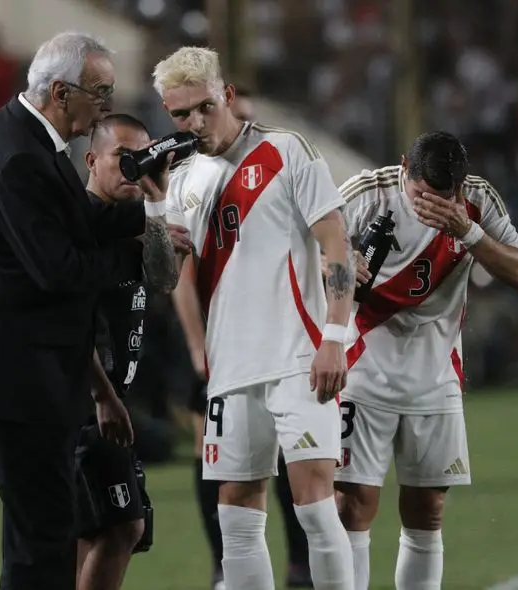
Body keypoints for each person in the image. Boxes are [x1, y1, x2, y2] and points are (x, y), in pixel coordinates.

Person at [0, 32, 181, 590]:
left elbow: (78, 226)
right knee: (42, 543)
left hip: (27, 371)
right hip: (16, 374)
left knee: (45, 535)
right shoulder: (19, 157)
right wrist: (129, 253)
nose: (104, 105)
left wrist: (146, 218)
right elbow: (59, 271)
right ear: (59, 91)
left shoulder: (23, 138)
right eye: (99, 93)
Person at [155, 46, 357, 590]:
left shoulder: (286, 150)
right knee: (237, 513)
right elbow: (169, 278)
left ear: (226, 95)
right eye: (180, 115)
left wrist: (335, 335)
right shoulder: (181, 182)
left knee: (314, 505)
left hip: (299, 358)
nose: (194, 123)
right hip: (231, 368)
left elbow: (334, 240)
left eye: (203, 107)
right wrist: (152, 210)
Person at [333, 131, 518, 590]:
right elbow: (306, 243)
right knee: (351, 503)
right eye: (423, 195)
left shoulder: (478, 200)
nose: (433, 207)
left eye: (446, 197)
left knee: (428, 510)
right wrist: (340, 258)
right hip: (364, 363)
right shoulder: (368, 192)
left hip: (436, 370)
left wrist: (467, 230)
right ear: (405, 169)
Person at [173, 85, 312, 590]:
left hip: (279, 348)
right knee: (215, 464)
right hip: (220, 350)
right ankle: (222, 566)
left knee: (290, 462)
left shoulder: (281, 168)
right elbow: (183, 279)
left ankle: (300, 564)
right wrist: (196, 347)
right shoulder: (195, 182)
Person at [74, 113, 193, 590]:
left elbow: (164, 279)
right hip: (85, 400)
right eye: (121, 157)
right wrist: (102, 395)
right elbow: (68, 325)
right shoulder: (81, 223)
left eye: (140, 155)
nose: (132, 167)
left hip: (112, 397)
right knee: (122, 525)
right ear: (91, 159)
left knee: (100, 528)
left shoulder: (134, 220)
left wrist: (159, 195)